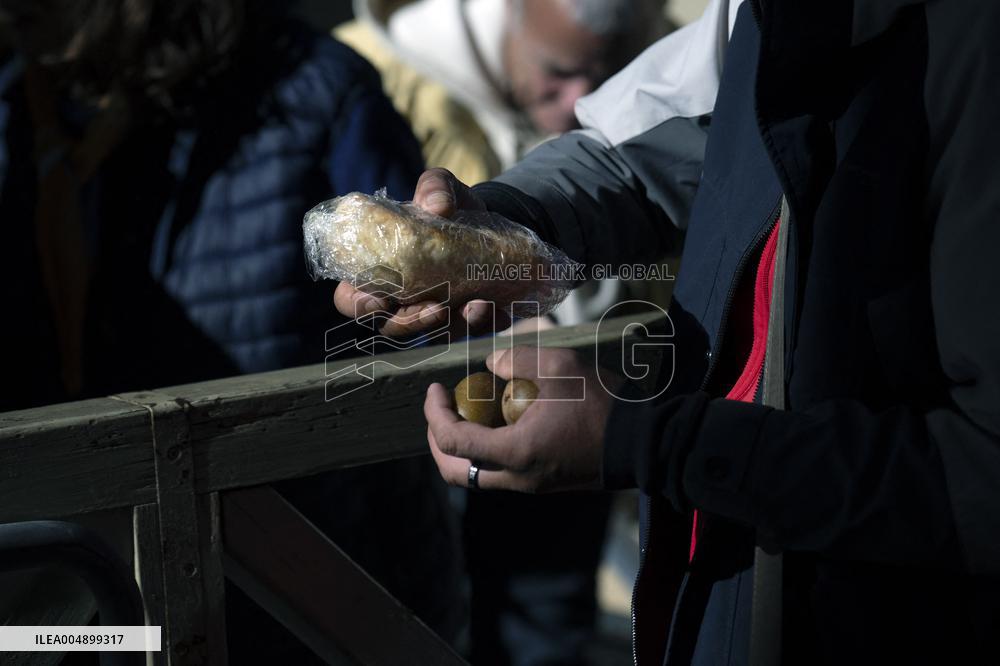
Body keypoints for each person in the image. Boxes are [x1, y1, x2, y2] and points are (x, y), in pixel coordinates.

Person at [334, 0, 1000, 663]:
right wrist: (501, 227)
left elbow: (977, 477)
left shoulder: (971, 49)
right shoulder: (767, 16)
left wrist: (644, 443)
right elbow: (645, 147)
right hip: (729, 579)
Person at [0, 0, 462, 660]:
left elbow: (421, 328)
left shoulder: (315, 92)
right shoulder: (25, 107)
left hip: (305, 580)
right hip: (96, 598)